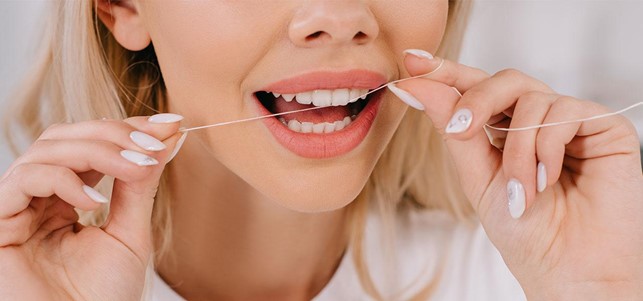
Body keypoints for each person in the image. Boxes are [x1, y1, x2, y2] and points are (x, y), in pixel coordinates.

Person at [1, 0, 642, 300]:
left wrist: (602, 291)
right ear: (121, 7)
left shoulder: (535, 280)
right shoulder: (37, 285)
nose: (338, 16)